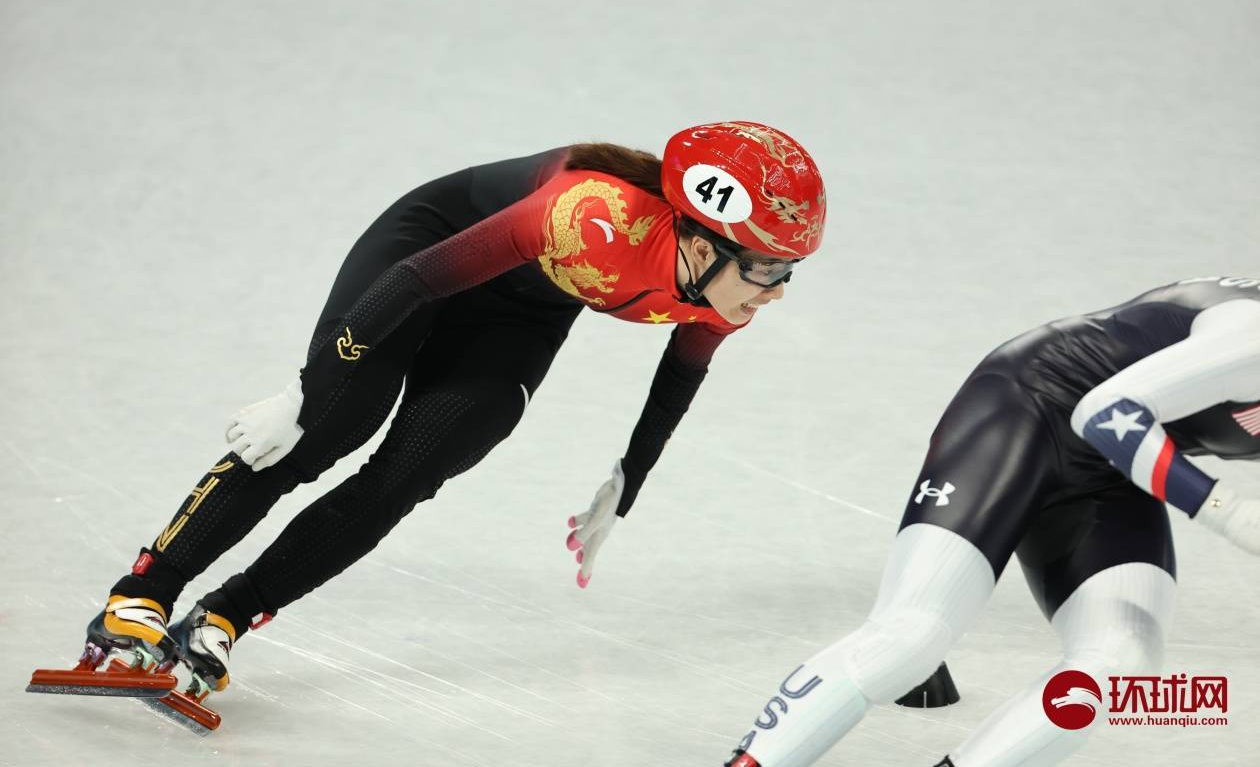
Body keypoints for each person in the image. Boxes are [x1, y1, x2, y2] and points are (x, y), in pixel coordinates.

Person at [51, 122, 828, 710]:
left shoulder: (726, 291)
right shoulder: (586, 217)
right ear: (699, 241)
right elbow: (423, 278)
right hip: (429, 258)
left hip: (518, 316)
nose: (777, 290)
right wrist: (306, 389)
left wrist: (629, 479)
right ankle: (142, 594)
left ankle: (225, 615)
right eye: (768, 268)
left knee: (417, 466)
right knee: (322, 430)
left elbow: (677, 380)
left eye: (788, 270)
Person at [725, 276, 1260, 767]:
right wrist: (1230, 514)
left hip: (1112, 466)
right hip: (1027, 407)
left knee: (1122, 661)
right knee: (910, 638)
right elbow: (1107, 414)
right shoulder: (1250, 338)